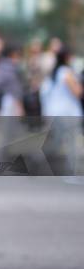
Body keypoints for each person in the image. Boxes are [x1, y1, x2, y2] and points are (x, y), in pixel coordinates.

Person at [40, 47, 83, 179]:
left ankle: (39, 163)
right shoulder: (66, 72)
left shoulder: (54, 73)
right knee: (72, 143)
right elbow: (77, 92)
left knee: (58, 142)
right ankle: (72, 172)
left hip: (56, 112)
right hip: (68, 112)